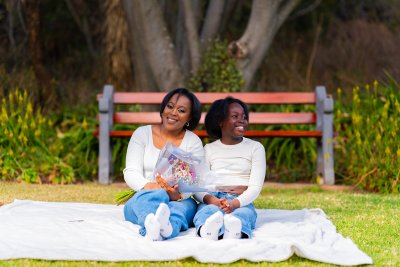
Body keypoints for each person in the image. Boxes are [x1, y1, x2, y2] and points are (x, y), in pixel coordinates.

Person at [123, 88, 204, 241]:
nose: (173, 112)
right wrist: (153, 188)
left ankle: (166, 229)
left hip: (178, 200)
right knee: (143, 202)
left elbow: (195, 180)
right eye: (170, 106)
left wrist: (178, 195)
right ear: (163, 109)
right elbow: (130, 172)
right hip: (144, 195)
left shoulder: (193, 141)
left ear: (190, 118)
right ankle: (151, 225)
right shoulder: (142, 134)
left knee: (182, 209)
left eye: (181, 110)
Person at [193, 97, 266, 240]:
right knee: (206, 212)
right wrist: (212, 200)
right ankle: (207, 231)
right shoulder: (209, 149)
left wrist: (234, 203)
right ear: (220, 121)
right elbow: (198, 187)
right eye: (235, 116)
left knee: (245, 214)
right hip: (214, 198)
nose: (242, 120)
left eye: (244, 117)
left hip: (240, 199)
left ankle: (235, 229)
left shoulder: (255, 148)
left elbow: (255, 188)